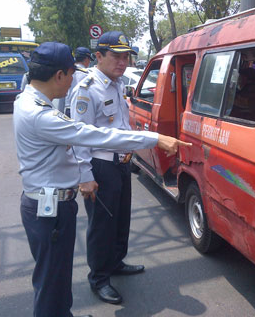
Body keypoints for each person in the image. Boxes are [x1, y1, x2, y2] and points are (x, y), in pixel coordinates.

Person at [13, 41, 190, 317]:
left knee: (55, 279)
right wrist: (155, 138)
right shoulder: (41, 115)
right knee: (52, 282)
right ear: (59, 75)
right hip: (51, 207)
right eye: (72, 72)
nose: (75, 78)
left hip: (51, 201)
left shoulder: (27, 99)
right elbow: (97, 135)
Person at [70, 31, 152, 305]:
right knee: (102, 225)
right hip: (100, 166)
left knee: (120, 220)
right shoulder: (87, 89)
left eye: (126, 56)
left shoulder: (117, 84)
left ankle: (116, 262)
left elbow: (121, 126)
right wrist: (85, 175)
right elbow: (78, 136)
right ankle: (99, 278)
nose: (123, 61)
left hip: (122, 165)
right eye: (116, 55)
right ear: (98, 56)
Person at [53, 47, 94, 116]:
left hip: (67, 109)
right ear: (86, 59)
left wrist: (60, 112)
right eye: (89, 60)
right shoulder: (88, 75)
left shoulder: (67, 72)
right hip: (82, 109)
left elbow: (62, 97)